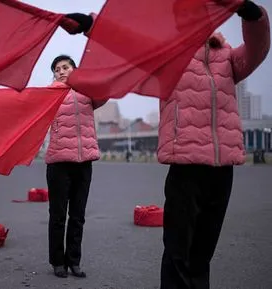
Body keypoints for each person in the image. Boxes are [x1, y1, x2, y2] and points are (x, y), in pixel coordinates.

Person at [63, 1, 269, 287]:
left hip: (223, 171)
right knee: (177, 254)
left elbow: (258, 48)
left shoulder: (228, 57)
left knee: (202, 254)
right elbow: (127, 44)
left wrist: (253, 14)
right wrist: (90, 25)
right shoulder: (168, 56)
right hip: (185, 169)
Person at [45, 55, 106, 278]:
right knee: (58, 215)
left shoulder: (87, 92)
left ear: (74, 69)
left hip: (84, 163)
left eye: (66, 67)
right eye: (57, 69)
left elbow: (105, 91)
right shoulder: (49, 94)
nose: (61, 71)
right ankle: (57, 262)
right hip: (59, 163)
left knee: (78, 215)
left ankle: (74, 261)